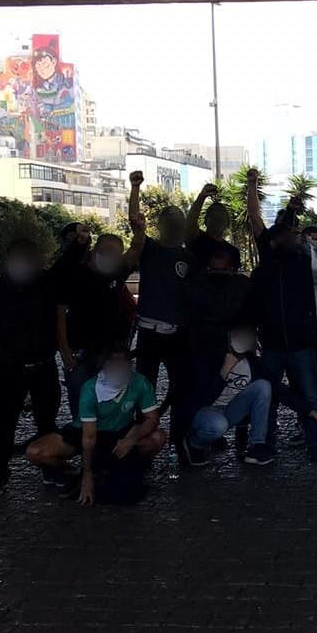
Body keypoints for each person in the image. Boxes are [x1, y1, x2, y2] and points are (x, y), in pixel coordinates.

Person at [0, 239, 61, 495]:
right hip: (11, 366)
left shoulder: (46, 283)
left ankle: (50, 467)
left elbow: (66, 266)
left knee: (47, 420)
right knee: (3, 424)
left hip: (44, 364)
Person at [26, 343, 165, 505]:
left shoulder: (139, 382)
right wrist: (87, 474)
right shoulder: (90, 389)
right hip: (84, 432)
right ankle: (73, 473)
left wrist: (131, 439)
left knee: (157, 438)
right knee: (35, 451)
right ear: (104, 368)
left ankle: (134, 466)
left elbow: (152, 419)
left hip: (121, 432)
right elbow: (89, 437)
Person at [184, 320, 317, 466]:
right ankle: (194, 444)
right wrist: (224, 371)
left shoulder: (252, 363)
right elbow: (202, 398)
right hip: (205, 412)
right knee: (218, 425)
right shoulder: (211, 358)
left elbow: (280, 390)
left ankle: (257, 445)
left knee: (263, 385)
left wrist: (313, 413)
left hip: (229, 411)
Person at [247, 208, 317, 463]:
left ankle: (314, 444)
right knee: (268, 396)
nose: (293, 241)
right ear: (274, 242)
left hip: (301, 345)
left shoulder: (306, 266)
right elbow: (254, 304)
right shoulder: (262, 273)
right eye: (287, 237)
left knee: (310, 396)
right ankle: (266, 442)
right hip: (272, 346)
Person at [127, 170, 193, 456]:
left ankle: (181, 440)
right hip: (149, 333)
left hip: (177, 334)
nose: (175, 227)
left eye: (179, 223)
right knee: (145, 389)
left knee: (182, 388)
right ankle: (143, 444)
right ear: (161, 225)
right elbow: (135, 224)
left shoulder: (189, 257)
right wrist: (135, 188)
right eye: (170, 222)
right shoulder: (149, 248)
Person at [56, 224, 145, 420]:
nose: (110, 256)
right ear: (95, 250)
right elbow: (60, 312)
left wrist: (139, 227)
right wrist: (63, 347)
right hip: (79, 349)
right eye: (106, 251)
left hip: (108, 350)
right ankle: (83, 441)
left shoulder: (118, 271)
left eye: (116, 253)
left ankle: (107, 441)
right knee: (80, 401)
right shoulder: (75, 274)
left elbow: (137, 247)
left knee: (111, 398)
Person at [186, 182, 241, 271]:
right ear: (206, 221)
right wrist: (202, 197)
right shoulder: (197, 240)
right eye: (214, 216)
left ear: (227, 223)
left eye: (221, 217)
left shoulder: (233, 252)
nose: (218, 220)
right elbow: (190, 222)